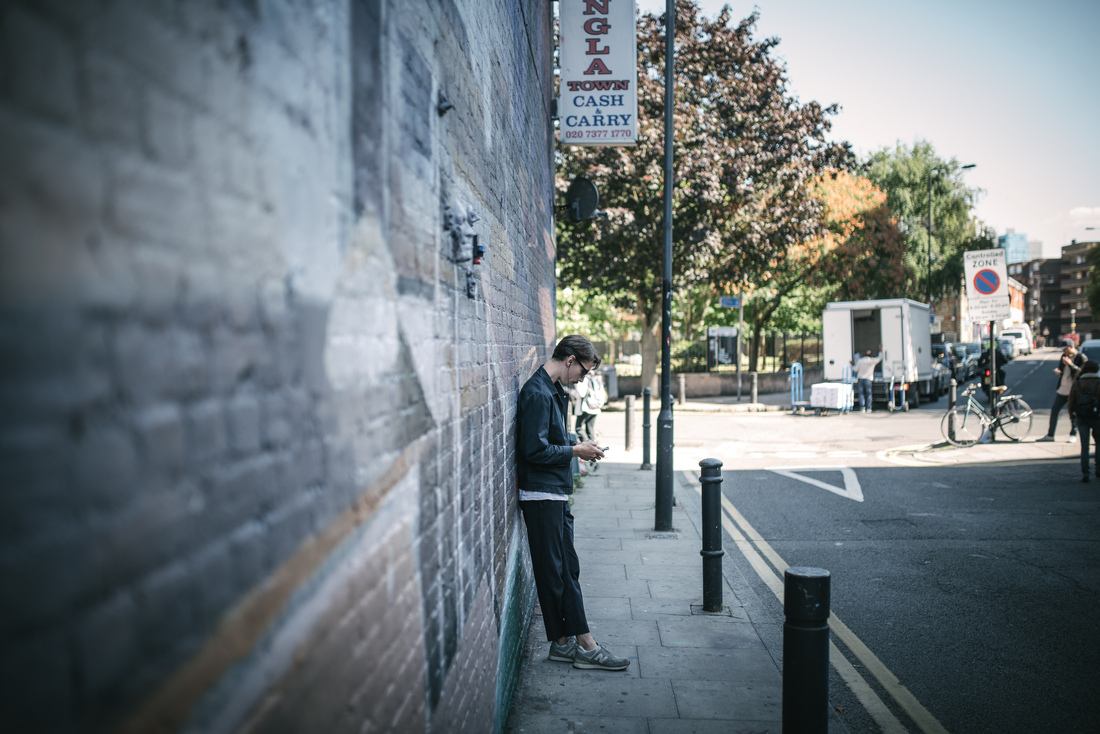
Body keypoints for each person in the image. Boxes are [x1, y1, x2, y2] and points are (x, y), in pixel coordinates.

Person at [516, 335, 629, 671]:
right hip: (542, 494)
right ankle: (586, 644)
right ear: (569, 360)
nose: (583, 378)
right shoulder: (537, 393)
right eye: (583, 371)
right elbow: (533, 450)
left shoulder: (551, 390)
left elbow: (549, 438)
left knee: (561, 570)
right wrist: (575, 450)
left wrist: (575, 442)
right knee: (560, 571)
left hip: (552, 493)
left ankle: (563, 643)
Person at [1038, 344, 1085, 442]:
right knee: (1055, 411)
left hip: (1074, 390)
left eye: (1066, 349)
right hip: (1062, 389)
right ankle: (1050, 435)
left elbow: (1081, 372)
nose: (1065, 352)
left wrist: (1070, 364)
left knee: (1073, 413)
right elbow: (1061, 369)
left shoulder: (1081, 357)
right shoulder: (1064, 356)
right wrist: (1058, 372)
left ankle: (1073, 435)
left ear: (1071, 347)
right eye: (1063, 350)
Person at [1068, 360, 1100, 483]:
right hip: (1097, 417)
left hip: (1082, 417)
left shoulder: (1078, 383)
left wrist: (1072, 416)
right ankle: (1098, 469)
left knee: (1084, 446)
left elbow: (1071, 401)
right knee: (1098, 444)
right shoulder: (1098, 382)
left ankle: (1085, 473)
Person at [574, 370, 606, 443]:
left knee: (578, 428)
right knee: (590, 428)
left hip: (586, 408)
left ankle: (587, 445)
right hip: (595, 408)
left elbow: (582, 393)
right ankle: (592, 446)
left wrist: (576, 385)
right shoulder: (597, 380)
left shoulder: (584, 380)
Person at [853, 348, 883, 413]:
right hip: (868, 379)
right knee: (869, 394)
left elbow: (855, 369)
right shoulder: (872, 361)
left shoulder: (860, 361)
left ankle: (862, 408)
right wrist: (880, 350)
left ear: (863, 354)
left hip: (860, 378)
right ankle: (869, 408)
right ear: (871, 355)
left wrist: (851, 364)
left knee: (861, 394)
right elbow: (880, 358)